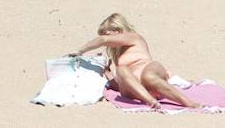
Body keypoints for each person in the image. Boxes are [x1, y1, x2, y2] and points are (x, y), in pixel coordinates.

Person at [69, 14, 202, 108]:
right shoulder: (119, 56)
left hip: (149, 73)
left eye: (108, 33)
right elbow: (121, 83)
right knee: (121, 70)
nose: (107, 40)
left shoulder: (134, 37)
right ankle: (151, 101)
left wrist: (81, 50)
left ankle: (188, 102)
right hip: (136, 91)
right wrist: (108, 72)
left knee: (149, 75)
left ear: (118, 30)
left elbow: (103, 40)